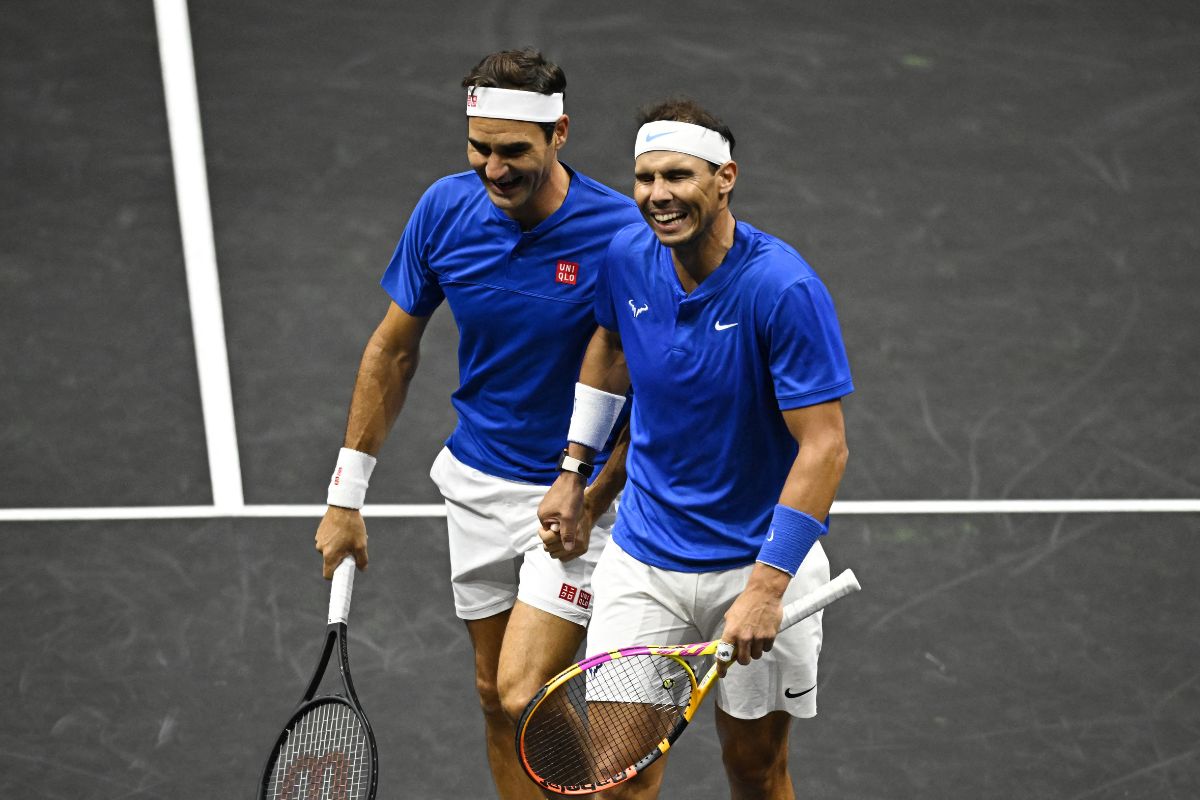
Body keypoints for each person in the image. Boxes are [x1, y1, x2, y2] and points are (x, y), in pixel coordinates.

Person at [313, 49, 641, 800]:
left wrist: (592, 494)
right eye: (479, 148)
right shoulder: (444, 210)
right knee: (497, 698)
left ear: (560, 134)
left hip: (580, 499)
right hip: (476, 486)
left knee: (528, 694)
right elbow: (392, 351)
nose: (493, 169)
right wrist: (345, 495)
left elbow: (650, 383)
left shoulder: (619, 235)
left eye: (513, 151)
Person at [538, 98, 853, 799]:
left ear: (724, 178)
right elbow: (613, 347)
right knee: (616, 780)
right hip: (644, 563)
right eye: (645, 178)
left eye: (677, 176)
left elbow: (825, 449)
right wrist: (576, 475)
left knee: (754, 770)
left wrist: (767, 587)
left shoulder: (783, 288)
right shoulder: (625, 257)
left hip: (754, 563)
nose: (658, 195)